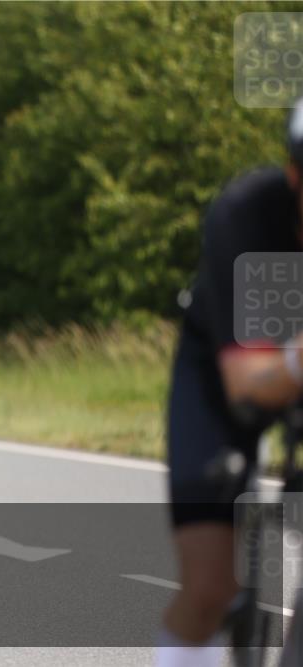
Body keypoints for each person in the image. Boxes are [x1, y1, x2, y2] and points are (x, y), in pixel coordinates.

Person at [158, 100, 303, 666]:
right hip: (226, 375)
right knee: (210, 588)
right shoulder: (246, 215)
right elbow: (247, 385)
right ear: (295, 174)